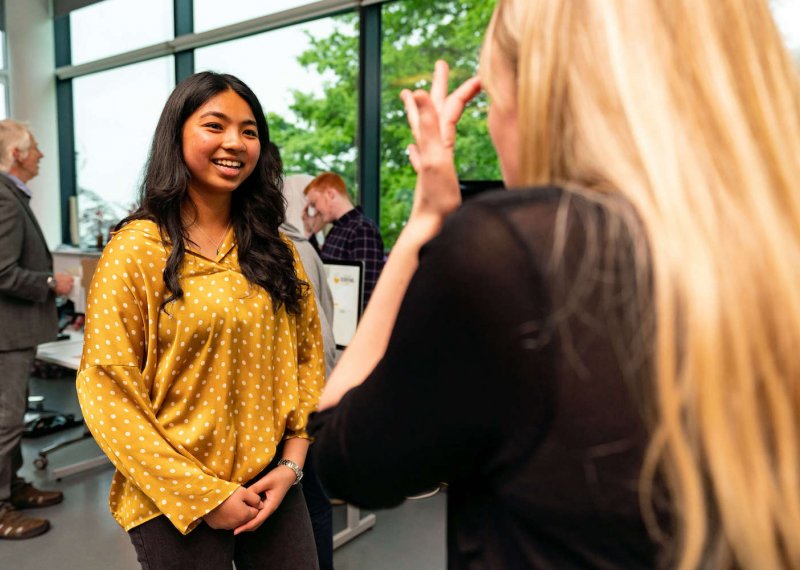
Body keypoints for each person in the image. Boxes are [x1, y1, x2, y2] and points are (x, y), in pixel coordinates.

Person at [308, 1, 800, 569]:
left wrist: (425, 222)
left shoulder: (516, 256)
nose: (492, 123)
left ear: (548, 97)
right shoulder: (769, 249)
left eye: (491, 95)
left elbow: (346, 457)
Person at [76, 72, 324, 568]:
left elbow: (307, 361)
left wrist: (292, 465)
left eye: (250, 131)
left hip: (270, 483)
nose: (235, 142)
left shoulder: (275, 250)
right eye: (215, 125)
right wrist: (201, 495)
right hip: (170, 493)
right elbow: (107, 390)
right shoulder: (137, 250)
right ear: (178, 135)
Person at [0, 119, 74, 539]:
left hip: (15, 335)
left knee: (10, 417)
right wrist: (51, 283)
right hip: (7, 335)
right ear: (17, 155)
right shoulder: (5, 200)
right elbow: (3, 271)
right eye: (36, 148)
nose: (42, 155)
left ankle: (12, 488)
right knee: (7, 421)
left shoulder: (12, 197)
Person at [280, 172, 336, 570]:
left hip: (296, 407)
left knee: (310, 497)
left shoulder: (288, 248)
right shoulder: (304, 245)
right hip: (302, 406)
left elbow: (318, 338)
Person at [302, 172, 384, 305]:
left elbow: (366, 290)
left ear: (331, 194)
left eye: (314, 203)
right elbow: (321, 270)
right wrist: (310, 231)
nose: (314, 211)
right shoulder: (337, 229)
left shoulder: (362, 229)